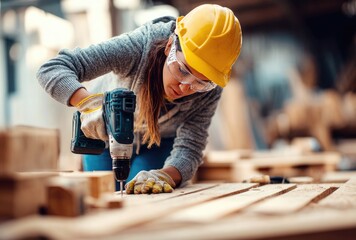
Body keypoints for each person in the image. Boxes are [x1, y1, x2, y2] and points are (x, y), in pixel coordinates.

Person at [37, 4, 242, 194]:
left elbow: (191, 146)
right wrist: (88, 105)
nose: (185, 86)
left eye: (200, 82)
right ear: (170, 45)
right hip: (103, 135)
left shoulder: (211, 87)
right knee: (101, 192)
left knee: (145, 192)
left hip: (157, 142)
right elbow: (52, 69)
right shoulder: (137, 47)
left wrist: (165, 175)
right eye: (182, 69)